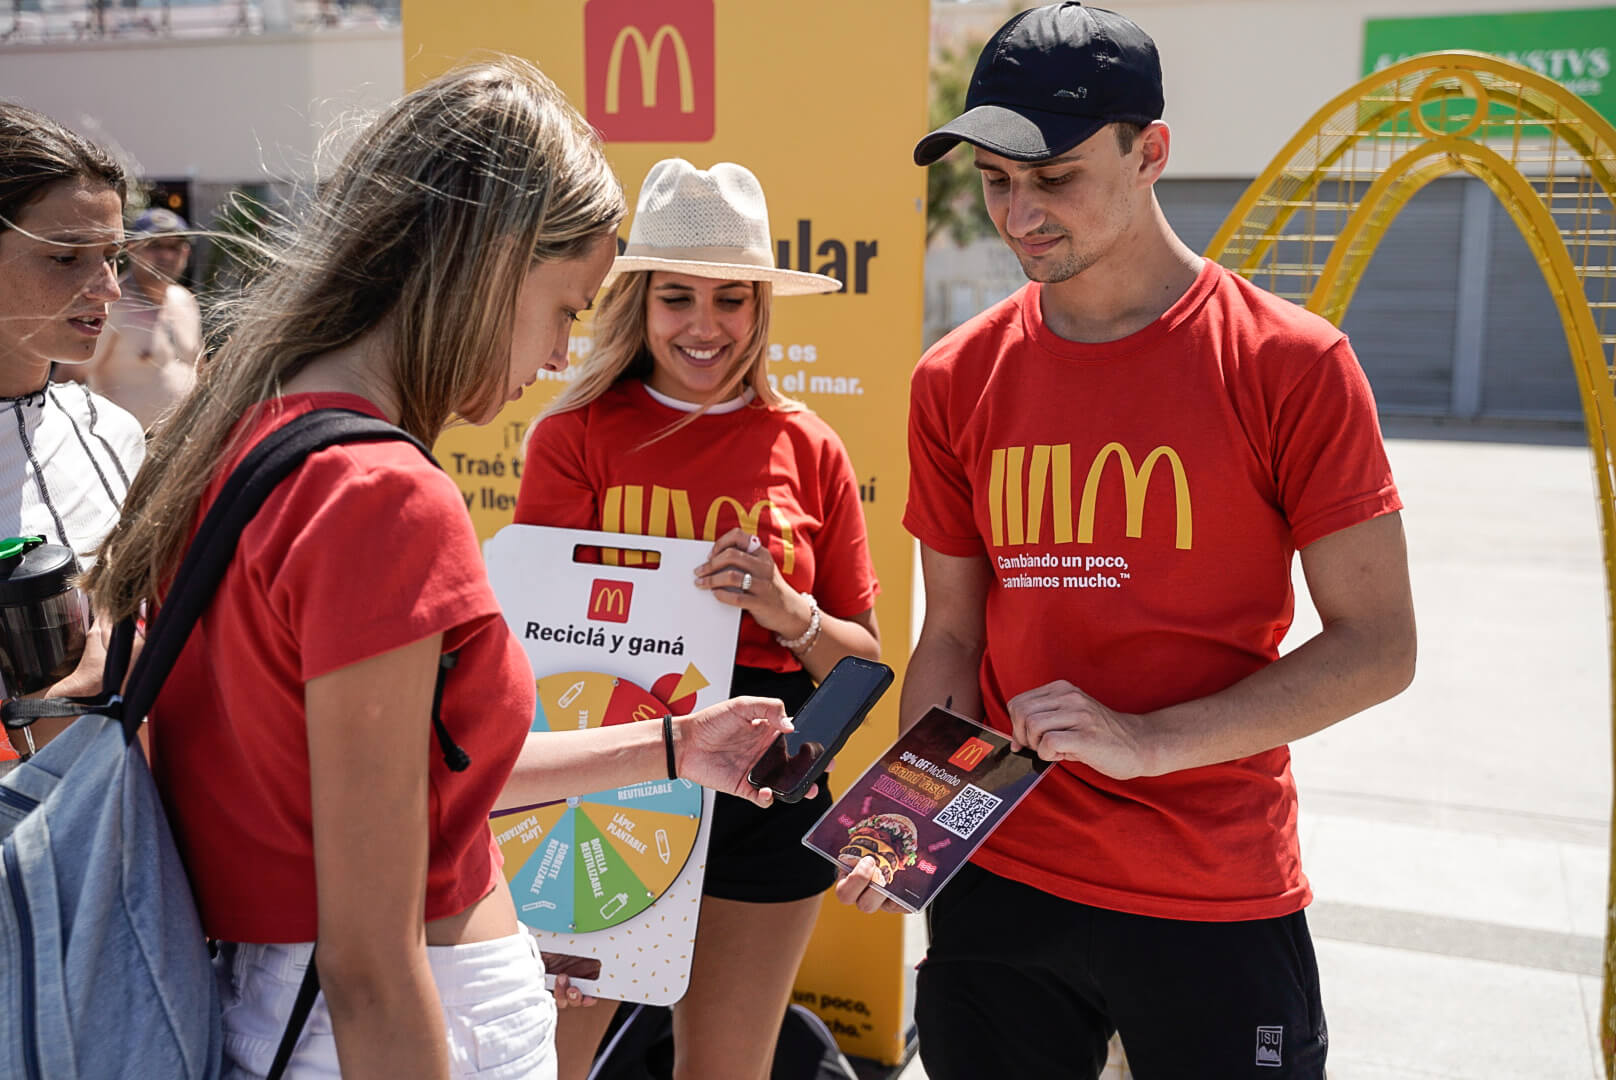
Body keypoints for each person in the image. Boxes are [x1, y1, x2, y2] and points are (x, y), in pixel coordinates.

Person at [82, 60, 808, 1080]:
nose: (558, 354)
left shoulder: (245, 438)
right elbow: (372, 963)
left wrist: (672, 746)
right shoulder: (382, 494)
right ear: (490, 263)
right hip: (409, 1026)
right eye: (565, 306)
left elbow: (396, 786)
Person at [835, 6, 1416, 1079]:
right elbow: (954, 637)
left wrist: (1146, 744)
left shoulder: (1289, 364)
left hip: (1211, 887)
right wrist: (905, 826)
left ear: (1148, 151)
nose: (1018, 212)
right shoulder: (953, 379)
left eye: (1051, 176)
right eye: (993, 180)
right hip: (1000, 884)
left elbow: (1377, 646)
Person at [515, 158, 881, 1080]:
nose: (706, 326)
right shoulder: (575, 435)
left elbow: (861, 661)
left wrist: (787, 611)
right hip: (610, 773)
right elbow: (539, 635)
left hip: (769, 783)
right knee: (545, 1062)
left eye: (732, 299)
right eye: (678, 298)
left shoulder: (811, 445)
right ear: (638, 303)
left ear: (762, 309)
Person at [0, 103, 145, 762]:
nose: (107, 289)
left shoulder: (114, 432)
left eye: (113, 257)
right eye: (66, 258)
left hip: (113, 836)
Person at [63, 205, 202, 430]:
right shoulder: (108, 305)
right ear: (131, 249)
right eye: (154, 245)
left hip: (185, 445)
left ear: (186, 252)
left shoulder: (185, 301)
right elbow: (69, 379)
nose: (166, 255)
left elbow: (197, 370)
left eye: (175, 246)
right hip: (128, 449)